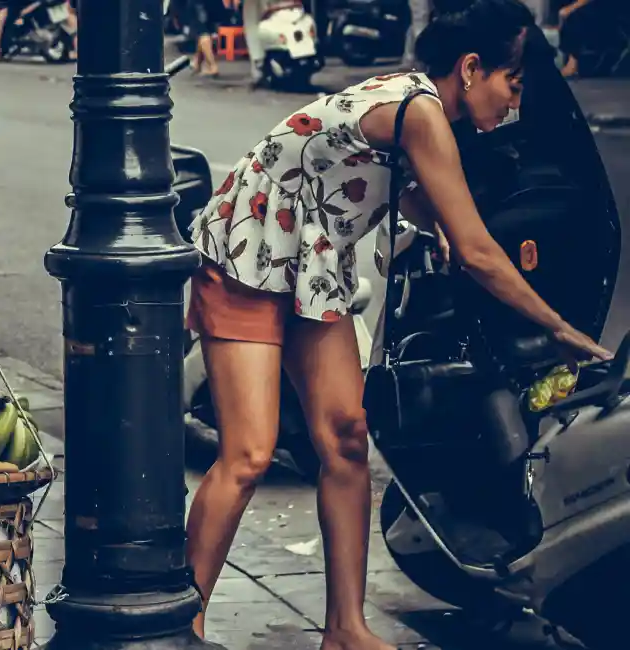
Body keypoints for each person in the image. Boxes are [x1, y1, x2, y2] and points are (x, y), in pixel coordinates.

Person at [184, 1, 610, 648]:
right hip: (248, 251)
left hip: (311, 256)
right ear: (471, 69)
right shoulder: (422, 114)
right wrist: (561, 330)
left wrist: (430, 219)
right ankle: (183, 625)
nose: (514, 102)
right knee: (248, 454)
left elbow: (382, 182)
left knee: (347, 438)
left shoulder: (415, 102)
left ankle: (347, 630)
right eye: (511, 83)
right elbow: (478, 254)